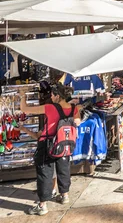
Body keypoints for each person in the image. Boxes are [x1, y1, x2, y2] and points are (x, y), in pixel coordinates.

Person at [19, 84, 81, 216]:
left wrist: (22, 95)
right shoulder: (74, 108)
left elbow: (24, 109)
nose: (51, 97)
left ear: (58, 96)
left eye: (52, 95)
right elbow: (78, 122)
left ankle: (42, 205)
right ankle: (64, 195)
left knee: (45, 173)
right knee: (64, 169)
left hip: (48, 144)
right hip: (65, 143)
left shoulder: (50, 107)